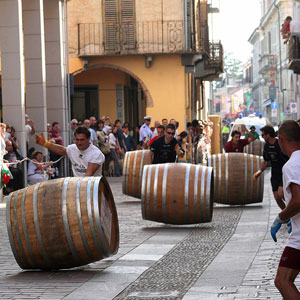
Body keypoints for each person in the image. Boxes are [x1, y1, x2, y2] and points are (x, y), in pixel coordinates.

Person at [269, 120, 300, 299]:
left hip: (299, 238)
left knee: (282, 281)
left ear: (281, 139)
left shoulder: (292, 165)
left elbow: (298, 200)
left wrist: (281, 217)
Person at [35, 126, 105, 176]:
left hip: (93, 188)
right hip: (77, 185)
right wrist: (45, 143)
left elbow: (88, 175)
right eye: (77, 140)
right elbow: (62, 150)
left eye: (82, 140)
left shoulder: (96, 154)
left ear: (89, 139)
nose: (79, 143)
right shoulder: (73, 148)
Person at [253, 125, 288, 210]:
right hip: (274, 173)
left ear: (268, 135)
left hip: (283, 172)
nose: (262, 137)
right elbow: (265, 161)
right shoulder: (266, 146)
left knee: (281, 194)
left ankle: (292, 213)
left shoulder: (279, 143)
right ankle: (287, 216)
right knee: (277, 197)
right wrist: (260, 172)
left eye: (263, 135)